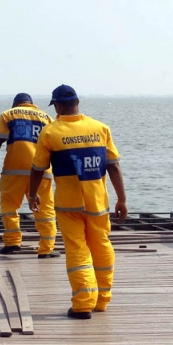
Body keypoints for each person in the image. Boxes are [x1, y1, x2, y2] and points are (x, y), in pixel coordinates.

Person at [28, 84, 128, 319]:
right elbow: (113, 165)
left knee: (77, 250)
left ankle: (83, 304)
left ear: (59, 106)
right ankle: (102, 300)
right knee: (101, 246)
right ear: (78, 102)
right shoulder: (100, 128)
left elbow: (38, 168)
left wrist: (32, 194)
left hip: (68, 205)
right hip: (98, 203)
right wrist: (122, 199)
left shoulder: (51, 132)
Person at [0, 93, 59, 258]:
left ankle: (12, 242)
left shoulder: (7, 115)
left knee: (9, 206)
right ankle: (46, 249)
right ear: (32, 104)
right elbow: (55, 147)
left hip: (14, 171)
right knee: (44, 209)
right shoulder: (47, 117)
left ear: (15, 104)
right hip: (42, 172)